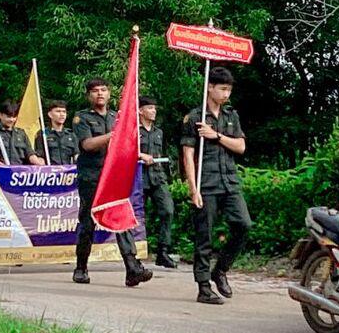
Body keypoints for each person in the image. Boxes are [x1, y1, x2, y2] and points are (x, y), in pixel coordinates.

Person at [72, 77, 152, 287]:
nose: (100, 93)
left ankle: (132, 267)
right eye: (95, 90)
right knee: (88, 222)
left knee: (121, 218)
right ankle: (81, 267)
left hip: (113, 176)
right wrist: (113, 134)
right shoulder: (82, 118)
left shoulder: (116, 117)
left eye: (103, 90)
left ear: (109, 94)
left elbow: (124, 145)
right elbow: (87, 145)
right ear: (89, 95)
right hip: (92, 176)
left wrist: (139, 154)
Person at [181, 67, 251, 305]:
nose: (226, 94)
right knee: (205, 236)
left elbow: (241, 147)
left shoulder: (231, 116)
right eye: (222, 89)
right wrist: (193, 189)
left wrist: (216, 136)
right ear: (210, 88)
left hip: (229, 181)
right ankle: (203, 287)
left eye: (229, 89)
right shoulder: (195, 117)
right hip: (206, 182)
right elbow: (188, 154)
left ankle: (220, 269)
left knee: (243, 225)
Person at [138, 96, 176, 268]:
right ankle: (136, 253)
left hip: (157, 177)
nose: (153, 111)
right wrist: (140, 155)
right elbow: (124, 150)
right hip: (139, 178)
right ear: (141, 111)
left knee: (167, 210)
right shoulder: (133, 131)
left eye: (154, 108)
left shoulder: (158, 132)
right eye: (150, 108)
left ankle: (163, 251)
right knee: (139, 216)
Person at [0, 100, 44, 165]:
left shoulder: (21, 134)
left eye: (14, 117)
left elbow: (30, 154)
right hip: (1, 169)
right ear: (0, 115)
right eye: (9, 117)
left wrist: (40, 164)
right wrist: (4, 167)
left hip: (20, 169)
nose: (12, 120)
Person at [34, 100, 78, 164]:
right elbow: (40, 156)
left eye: (64, 112)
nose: (62, 114)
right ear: (50, 114)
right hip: (51, 169)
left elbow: (76, 155)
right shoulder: (43, 134)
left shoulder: (71, 134)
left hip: (68, 169)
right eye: (58, 111)